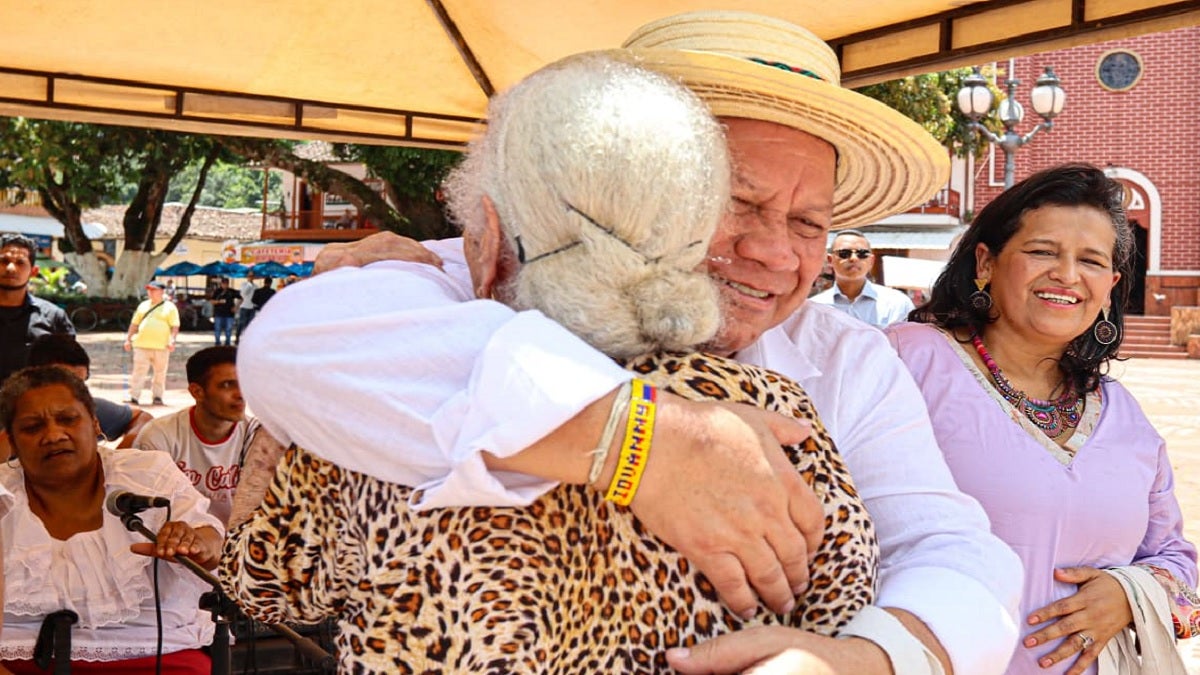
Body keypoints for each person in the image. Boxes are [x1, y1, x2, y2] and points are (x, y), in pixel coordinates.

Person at [239, 11, 1023, 675]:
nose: (777, 254)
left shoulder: (844, 355)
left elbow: (957, 551)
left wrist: (868, 658)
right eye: (736, 202)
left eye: (810, 223)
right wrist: (649, 443)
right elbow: (285, 352)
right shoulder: (471, 273)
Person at [885, 164, 1198, 674]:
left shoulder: (1124, 414)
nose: (1068, 275)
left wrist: (1127, 594)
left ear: (1111, 286)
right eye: (1042, 251)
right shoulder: (907, 360)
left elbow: (1179, 567)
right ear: (986, 262)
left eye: (1091, 261)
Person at [0, 366, 222, 673]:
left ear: (94, 423)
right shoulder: (2, 495)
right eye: (32, 427)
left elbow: (211, 541)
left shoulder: (147, 474)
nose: (52, 435)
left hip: (157, 656)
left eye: (68, 419)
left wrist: (197, 544)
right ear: (10, 439)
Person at [134, 346, 264, 525]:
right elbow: (146, 513)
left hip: (238, 545)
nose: (241, 395)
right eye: (227, 385)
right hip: (176, 544)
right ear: (197, 392)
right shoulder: (159, 437)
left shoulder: (259, 438)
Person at [27, 333, 153, 448]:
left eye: (80, 383)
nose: (74, 392)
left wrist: (124, 451)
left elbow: (142, 418)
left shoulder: (87, 408)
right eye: (65, 383)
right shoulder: (14, 420)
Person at [0, 233, 74, 385]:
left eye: (20, 262)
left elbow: (73, 369)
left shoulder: (54, 317)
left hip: (30, 406)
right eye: (4, 261)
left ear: (33, 271)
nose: (11, 268)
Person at [810, 230, 914, 328]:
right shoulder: (814, 308)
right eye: (844, 253)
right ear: (830, 260)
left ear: (871, 261)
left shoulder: (897, 304)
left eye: (862, 254)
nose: (853, 258)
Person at [123, 280, 179, 406]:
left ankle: (157, 396)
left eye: (153, 290)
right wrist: (128, 338)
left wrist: (172, 340)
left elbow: (174, 326)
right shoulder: (143, 305)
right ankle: (134, 396)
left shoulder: (170, 307)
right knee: (138, 371)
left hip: (161, 346)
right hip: (141, 344)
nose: (150, 292)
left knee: (160, 373)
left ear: (161, 291)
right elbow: (135, 323)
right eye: (149, 290)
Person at [209, 277, 238, 346]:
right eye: (224, 283)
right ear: (221, 284)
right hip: (219, 313)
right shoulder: (217, 291)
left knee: (229, 329)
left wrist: (236, 307)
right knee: (218, 329)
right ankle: (217, 342)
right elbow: (212, 301)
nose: (225, 285)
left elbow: (240, 298)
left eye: (226, 284)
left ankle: (227, 342)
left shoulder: (231, 291)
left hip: (229, 313)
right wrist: (219, 301)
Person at [235, 271, 257, 343]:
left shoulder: (256, 286)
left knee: (250, 324)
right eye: (249, 276)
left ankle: (247, 338)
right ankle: (237, 337)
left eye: (252, 276)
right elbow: (243, 293)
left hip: (252, 307)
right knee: (241, 323)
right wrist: (249, 284)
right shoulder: (243, 284)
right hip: (244, 306)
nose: (251, 277)